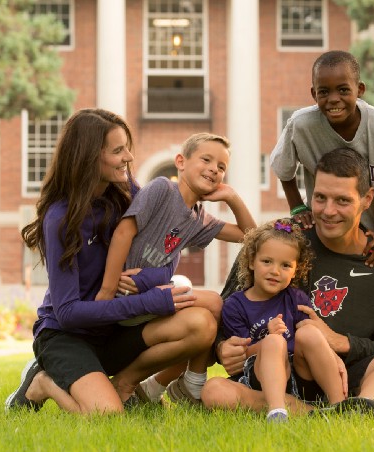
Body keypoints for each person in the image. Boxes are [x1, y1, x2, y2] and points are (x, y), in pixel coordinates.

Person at [4, 109, 217, 415]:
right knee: (107, 414)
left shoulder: (127, 193)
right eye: (118, 151)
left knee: (202, 323)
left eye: (126, 148)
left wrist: (144, 284)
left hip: (115, 329)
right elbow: (67, 313)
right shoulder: (60, 219)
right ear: (89, 157)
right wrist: (148, 303)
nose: (128, 157)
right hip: (68, 336)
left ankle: (126, 385)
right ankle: (43, 382)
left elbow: (168, 250)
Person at [204, 147, 374, 414]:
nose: (328, 211)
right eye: (320, 198)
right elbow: (228, 306)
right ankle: (321, 411)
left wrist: (339, 341)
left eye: (342, 201)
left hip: (350, 372)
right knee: (215, 391)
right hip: (282, 372)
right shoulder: (282, 240)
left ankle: (363, 403)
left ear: (367, 199)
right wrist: (222, 347)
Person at [95, 132, 256, 404]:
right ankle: (193, 383)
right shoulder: (162, 189)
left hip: (150, 296)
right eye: (206, 159)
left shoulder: (197, 218)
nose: (214, 169)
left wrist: (232, 198)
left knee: (207, 316)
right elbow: (124, 232)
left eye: (221, 167)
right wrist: (107, 292)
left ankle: (178, 382)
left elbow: (251, 236)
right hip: (124, 296)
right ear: (181, 161)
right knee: (215, 302)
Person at [270, 50, 374, 267]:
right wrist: (298, 207)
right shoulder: (301, 125)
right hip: (323, 233)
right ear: (313, 93)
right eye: (324, 92)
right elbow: (283, 168)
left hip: (370, 240)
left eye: (344, 90)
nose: (333, 99)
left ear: (360, 90)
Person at [219, 218, 347, 422]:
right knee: (212, 390)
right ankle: (280, 411)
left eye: (285, 265)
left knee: (310, 332)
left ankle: (340, 406)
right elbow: (241, 357)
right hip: (259, 379)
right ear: (252, 261)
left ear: (296, 270)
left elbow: (313, 342)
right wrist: (268, 340)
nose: (275, 271)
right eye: (267, 261)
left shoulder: (295, 299)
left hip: (298, 376)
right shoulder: (235, 305)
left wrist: (332, 356)